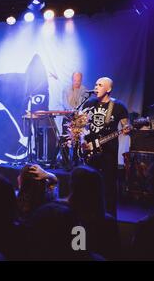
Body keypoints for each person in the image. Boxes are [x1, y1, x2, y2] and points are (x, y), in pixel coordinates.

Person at [82, 77, 130, 217]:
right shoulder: (89, 104)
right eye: (95, 84)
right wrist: (82, 140)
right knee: (89, 184)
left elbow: (126, 125)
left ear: (108, 89)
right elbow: (81, 126)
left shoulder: (118, 106)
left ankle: (110, 217)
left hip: (109, 151)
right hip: (90, 150)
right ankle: (89, 215)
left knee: (109, 185)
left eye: (100, 85)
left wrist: (127, 128)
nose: (96, 87)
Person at [61, 72, 88, 168]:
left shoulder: (84, 90)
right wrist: (70, 111)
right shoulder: (66, 89)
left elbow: (82, 103)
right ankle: (65, 161)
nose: (77, 82)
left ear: (81, 80)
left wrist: (76, 112)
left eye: (79, 80)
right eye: (75, 80)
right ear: (72, 79)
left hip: (78, 119)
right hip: (67, 117)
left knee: (76, 141)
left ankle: (76, 161)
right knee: (65, 140)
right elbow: (64, 102)